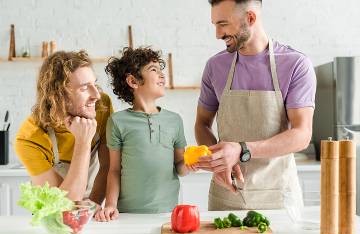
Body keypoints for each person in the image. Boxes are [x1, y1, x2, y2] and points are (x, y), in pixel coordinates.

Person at [194, 0, 316, 210]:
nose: (217, 34)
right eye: (215, 25)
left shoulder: (295, 64)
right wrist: (217, 163)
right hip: (227, 196)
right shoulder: (215, 66)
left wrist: (241, 150)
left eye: (223, 24)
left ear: (250, 18)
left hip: (278, 198)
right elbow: (202, 124)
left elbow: (302, 134)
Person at [95, 47, 193, 221]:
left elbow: (179, 165)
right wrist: (110, 204)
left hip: (169, 212)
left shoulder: (174, 120)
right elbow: (114, 170)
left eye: (161, 70)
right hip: (127, 214)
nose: (162, 75)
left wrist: (191, 165)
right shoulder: (118, 121)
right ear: (133, 81)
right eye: (154, 70)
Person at [15, 50, 113, 210]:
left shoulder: (102, 106)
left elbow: (107, 166)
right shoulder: (30, 138)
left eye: (94, 84)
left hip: (93, 206)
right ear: (58, 95)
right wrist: (83, 142)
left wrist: (93, 206)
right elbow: (63, 206)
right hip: (54, 214)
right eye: (84, 88)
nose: (96, 95)